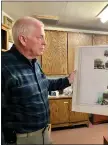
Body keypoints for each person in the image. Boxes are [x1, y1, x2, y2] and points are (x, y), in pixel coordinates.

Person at [1, 16, 75, 145]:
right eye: (40, 37)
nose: (45, 42)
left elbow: (45, 84)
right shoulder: (3, 65)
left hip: (44, 132)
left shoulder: (35, 62)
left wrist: (68, 80)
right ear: (23, 39)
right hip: (21, 139)